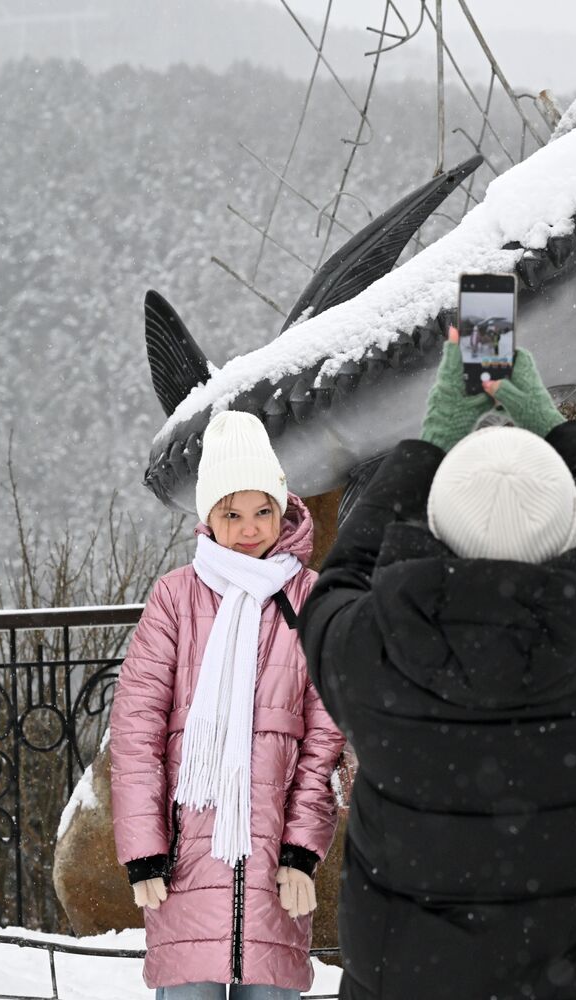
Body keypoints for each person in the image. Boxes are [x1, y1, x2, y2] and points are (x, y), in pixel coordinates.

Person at [298, 329, 576, 1000]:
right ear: (571, 525)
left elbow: (340, 577)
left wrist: (430, 442)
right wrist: (559, 429)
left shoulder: (369, 651)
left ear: (433, 526)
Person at [110, 411, 346, 1000]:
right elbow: (136, 731)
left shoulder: (309, 597)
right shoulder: (175, 597)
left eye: (262, 511)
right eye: (231, 513)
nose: (248, 529)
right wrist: (144, 850)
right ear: (208, 516)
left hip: (274, 872)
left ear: (283, 507)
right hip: (185, 866)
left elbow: (324, 737)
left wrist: (300, 850)